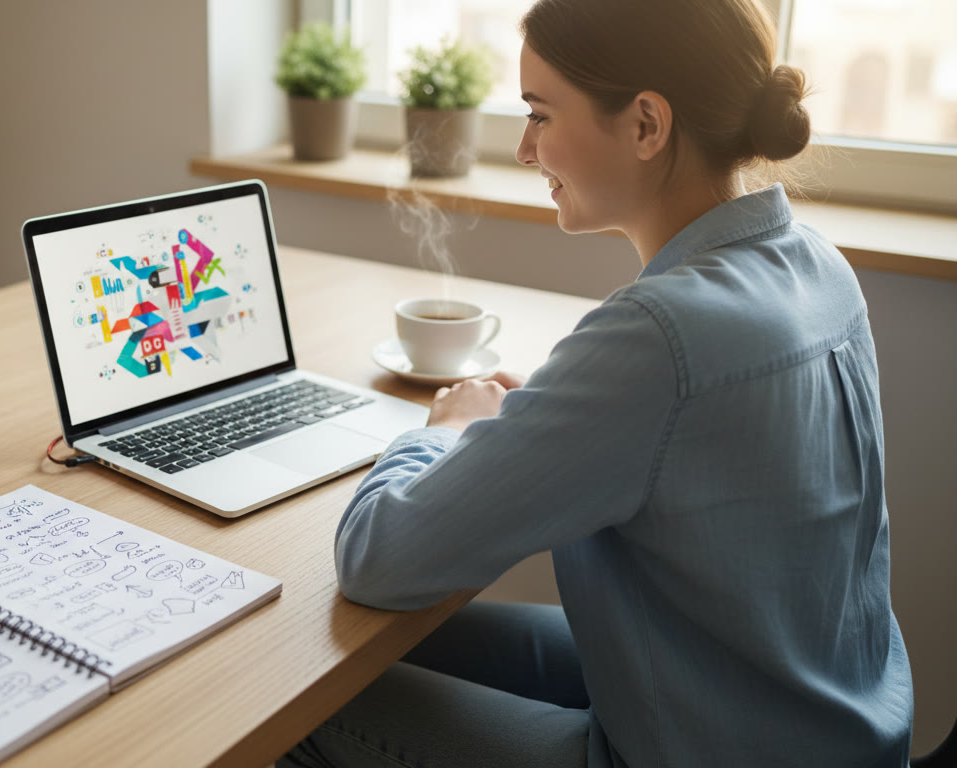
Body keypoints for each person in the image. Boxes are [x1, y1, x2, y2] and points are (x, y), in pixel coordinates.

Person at [280, 0, 914, 765]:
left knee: (290, 702)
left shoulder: (659, 336)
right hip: (814, 719)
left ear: (646, 124)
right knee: (395, 649)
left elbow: (379, 557)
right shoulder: (818, 266)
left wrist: (446, 431)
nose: (522, 149)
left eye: (540, 115)